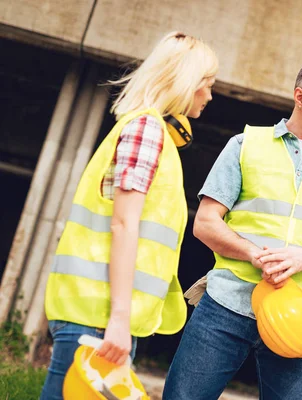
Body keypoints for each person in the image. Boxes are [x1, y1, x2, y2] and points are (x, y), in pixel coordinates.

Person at [163, 57, 302, 400]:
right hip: (226, 305)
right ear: (300, 96)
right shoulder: (245, 145)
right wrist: (255, 255)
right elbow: (205, 223)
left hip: (299, 317)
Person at [40, 31, 218, 399]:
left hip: (102, 317)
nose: (210, 95)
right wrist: (118, 320)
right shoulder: (147, 130)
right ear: (185, 83)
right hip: (99, 318)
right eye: (207, 84)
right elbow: (123, 223)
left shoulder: (150, 133)